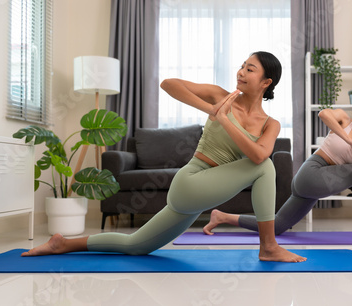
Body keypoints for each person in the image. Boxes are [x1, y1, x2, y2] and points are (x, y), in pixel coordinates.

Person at [22, 51, 306, 262]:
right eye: (242, 66)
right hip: (191, 182)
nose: (241, 72)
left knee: (137, 245)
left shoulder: (271, 124)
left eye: (250, 69)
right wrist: (212, 110)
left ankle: (63, 244)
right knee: (265, 166)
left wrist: (226, 120)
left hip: (201, 194)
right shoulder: (219, 96)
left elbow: (258, 154)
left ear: (266, 81)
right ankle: (268, 247)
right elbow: (169, 84)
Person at [203, 94, 352, 241]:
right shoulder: (344, 119)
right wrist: (348, 140)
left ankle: (221, 216)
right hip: (310, 174)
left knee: (278, 227)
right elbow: (324, 114)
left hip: (313, 190)